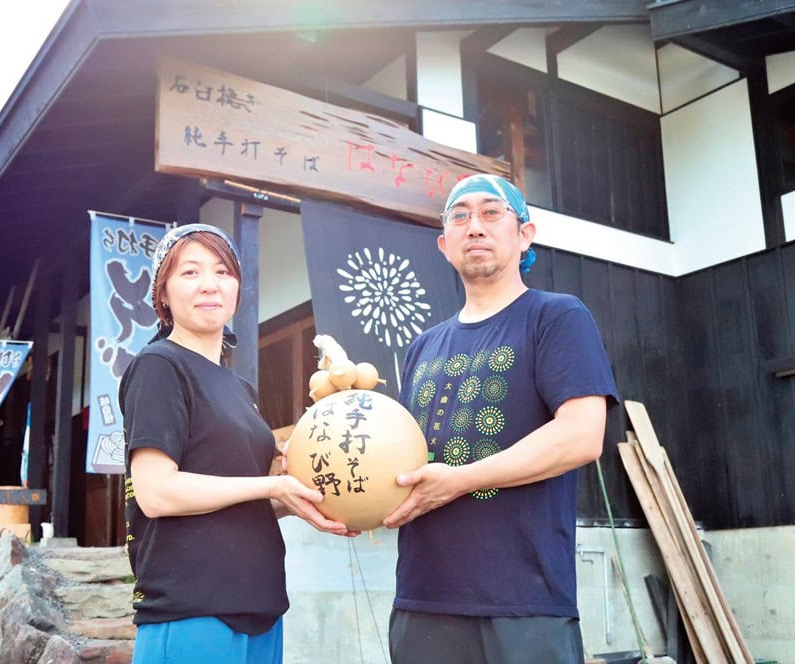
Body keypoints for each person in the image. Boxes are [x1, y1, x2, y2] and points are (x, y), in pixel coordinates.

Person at [383, 174, 619, 663]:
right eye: (461, 216)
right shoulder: (421, 348)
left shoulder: (556, 317)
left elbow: (581, 436)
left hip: (524, 603)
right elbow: (402, 460)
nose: (476, 227)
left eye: (492, 213)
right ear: (445, 245)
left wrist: (460, 481)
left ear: (524, 235)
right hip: (422, 599)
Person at [120, 223, 351, 664]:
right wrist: (271, 487)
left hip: (260, 605)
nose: (210, 284)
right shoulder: (159, 366)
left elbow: (244, 496)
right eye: (190, 272)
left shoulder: (240, 388)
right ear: (162, 293)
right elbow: (156, 493)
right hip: (192, 609)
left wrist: (311, 497)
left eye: (223, 271)